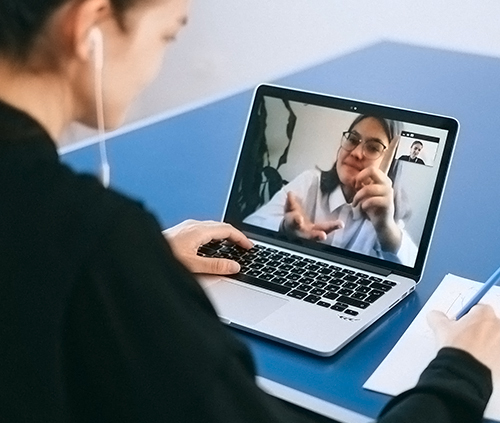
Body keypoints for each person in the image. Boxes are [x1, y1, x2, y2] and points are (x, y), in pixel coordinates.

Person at [0, 0, 498, 422]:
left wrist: (146, 261)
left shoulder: (389, 208)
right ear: (91, 26)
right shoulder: (101, 241)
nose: (157, 66)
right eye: (167, 37)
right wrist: (460, 372)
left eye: (374, 147)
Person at [244, 115, 418, 266]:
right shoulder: (310, 182)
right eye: (352, 139)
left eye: (373, 147)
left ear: (392, 163)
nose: (356, 153)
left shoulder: (386, 215)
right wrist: (284, 228)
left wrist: (385, 228)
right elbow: (250, 224)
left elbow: (412, 270)